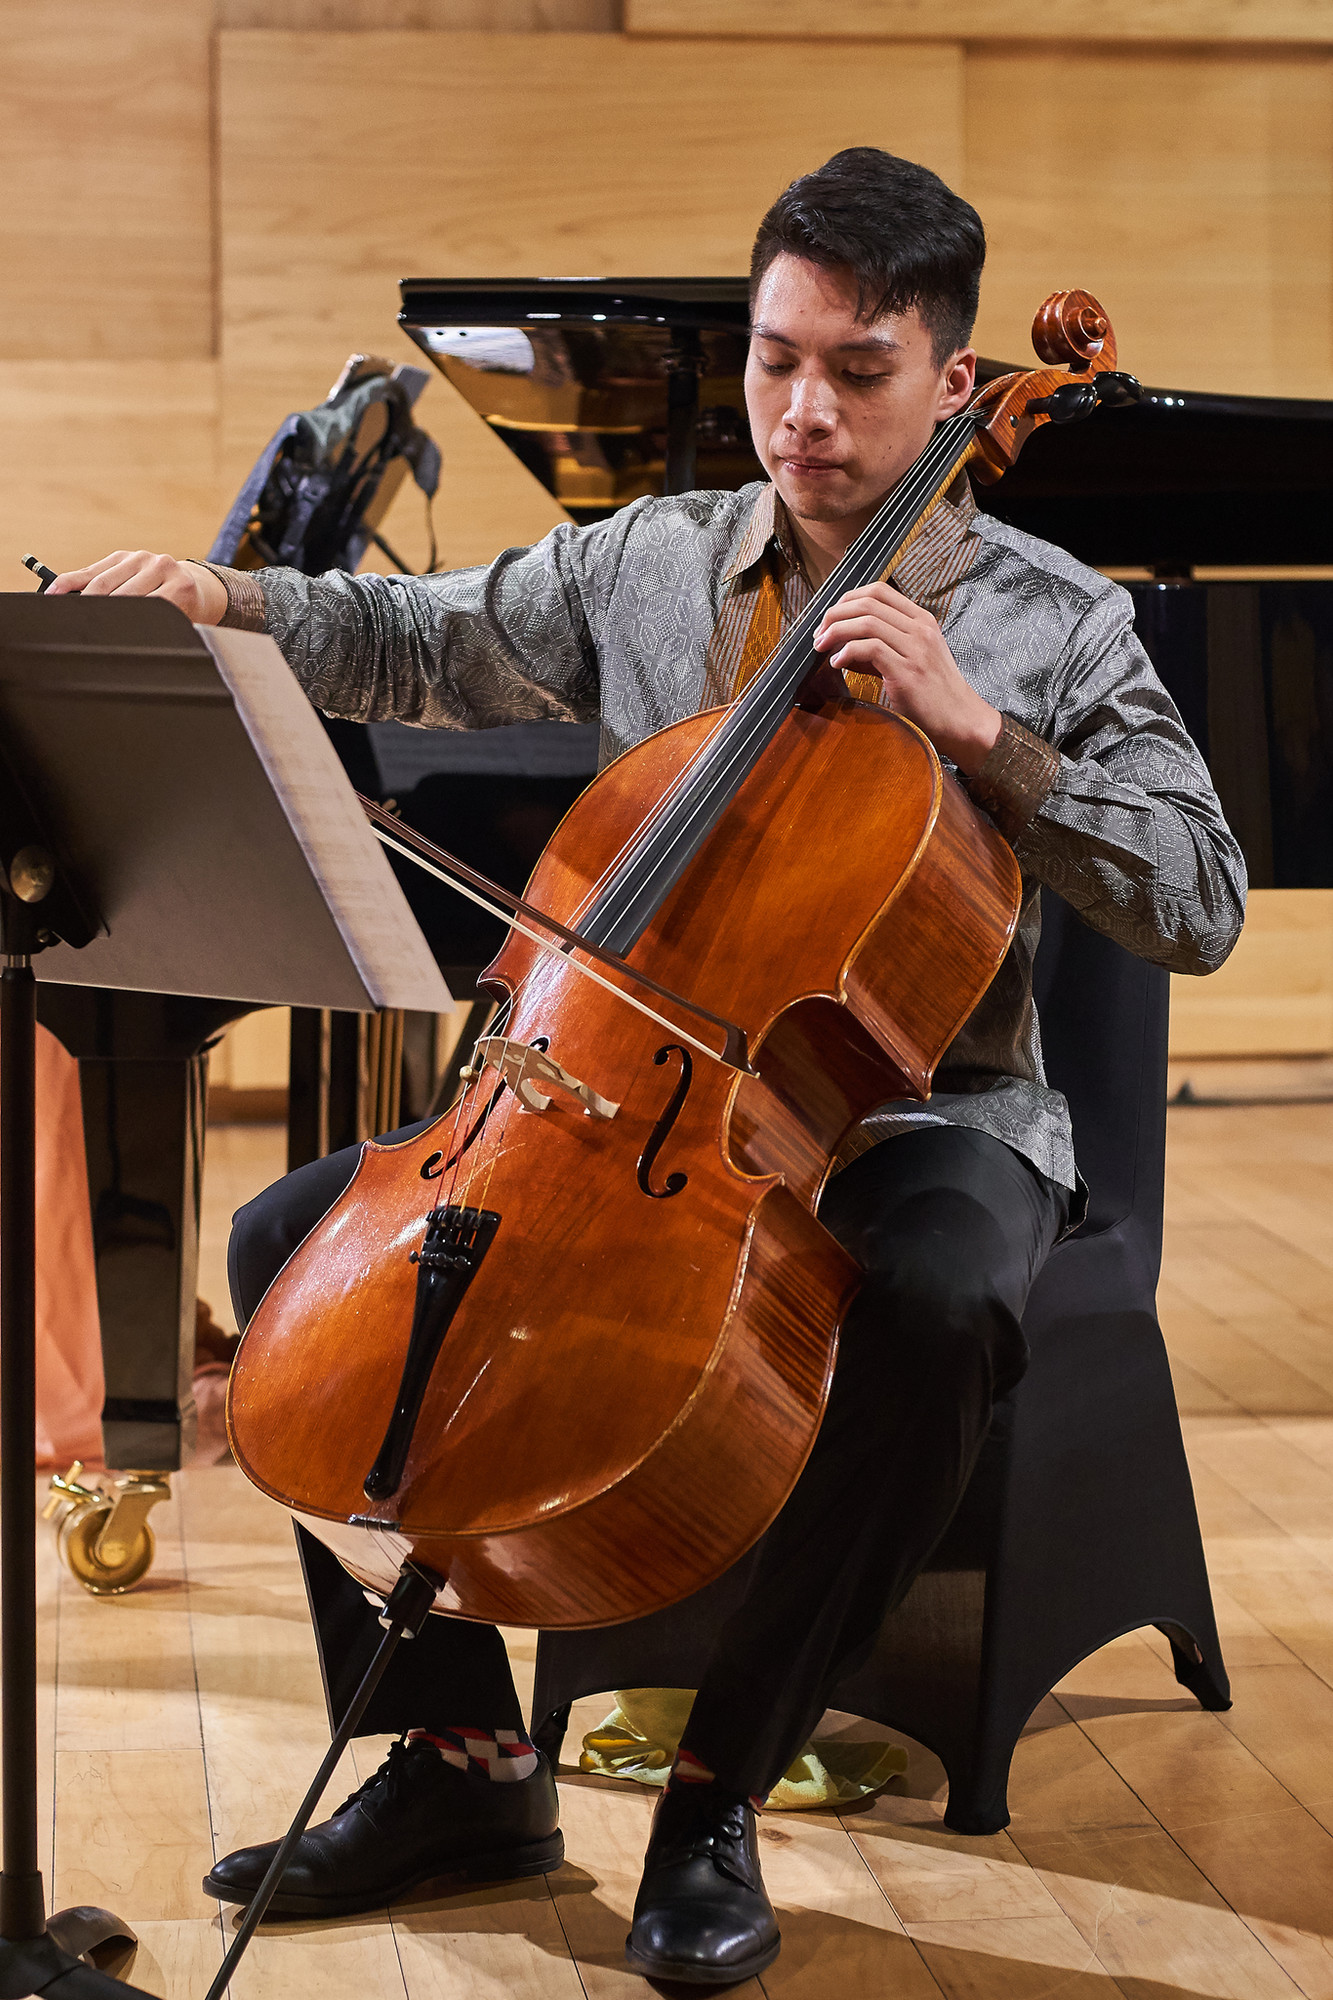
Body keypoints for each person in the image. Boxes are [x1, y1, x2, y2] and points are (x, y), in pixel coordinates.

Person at [52, 148, 1246, 1987]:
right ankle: (465, 1761)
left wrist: (976, 729)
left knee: (930, 1301)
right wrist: (222, 603)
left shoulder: (1053, 620)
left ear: (947, 380)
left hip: (927, 1108)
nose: (802, 411)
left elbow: (1198, 900)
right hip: (621, 1101)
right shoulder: (655, 559)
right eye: (777, 359)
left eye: (856, 371)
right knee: (300, 1266)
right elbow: (422, 635)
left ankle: (715, 1789)